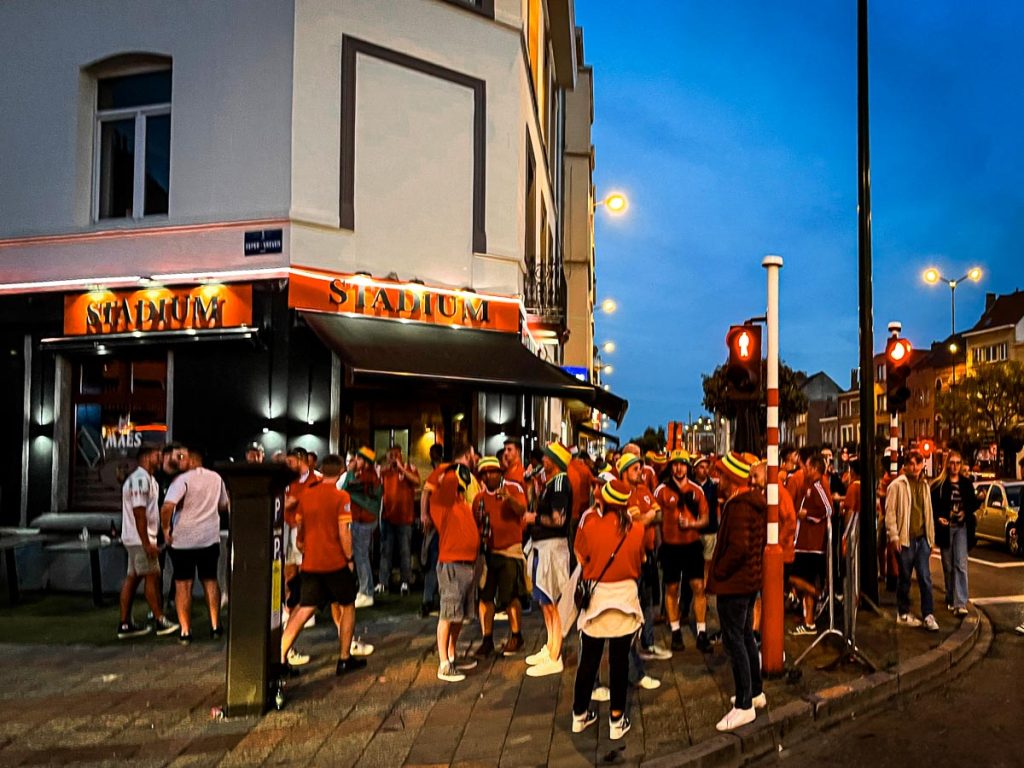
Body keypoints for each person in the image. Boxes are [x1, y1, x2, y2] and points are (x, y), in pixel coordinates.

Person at [570, 478, 646, 740]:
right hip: (625, 598)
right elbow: (641, 560)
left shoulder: (590, 525)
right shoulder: (636, 529)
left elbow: (581, 556)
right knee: (619, 661)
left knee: (589, 661)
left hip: (598, 598)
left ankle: (579, 715)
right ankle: (616, 719)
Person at [280, 454, 367, 675]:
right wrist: (349, 558)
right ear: (340, 472)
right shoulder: (341, 497)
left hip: (311, 563)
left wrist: (303, 546)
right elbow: (343, 532)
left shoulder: (306, 496)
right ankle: (344, 658)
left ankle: (278, 658)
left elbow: (300, 532)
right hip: (335, 561)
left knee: (304, 608)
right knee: (347, 605)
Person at [707, 452, 767, 732]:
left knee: (736, 641)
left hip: (734, 583)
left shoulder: (738, 507)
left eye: (720, 474)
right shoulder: (751, 504)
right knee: (745, 636)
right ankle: (755, 692)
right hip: (748, 581)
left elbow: (739, 548)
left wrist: (719, 570)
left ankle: (744, 704)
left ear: (730, 478)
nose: (716, 479)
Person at [160, 447, 230, 644]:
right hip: (209, 538)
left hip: (183, 541)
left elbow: (167, 507)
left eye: (181, 457)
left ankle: (185, 630)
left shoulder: (182, 480)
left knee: (183, 584)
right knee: (210, 580)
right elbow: (224, 505)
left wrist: (166, 529)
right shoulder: (216, 478)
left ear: (191, 460)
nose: (178, 461)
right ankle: (215, 625)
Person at [117, 443, 179, 639]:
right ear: (145, 457)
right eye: (157, 454)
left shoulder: (148, 480)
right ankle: (160, 620)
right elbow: (139, 513)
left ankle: (125, 624)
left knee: (133, 578)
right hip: (139, 539)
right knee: (152, 576)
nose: (161, 457)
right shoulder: (140, 480)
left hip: (136, 538)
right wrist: (146, 542)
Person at [524, 442, 574, 678]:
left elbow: (558, 521)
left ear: (555, 461)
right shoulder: (550, 483)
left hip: (552, 549)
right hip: (542, 547)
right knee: (544, 600)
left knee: (553, 600)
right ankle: (550, 646)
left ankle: (556, 654)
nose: (542, 460)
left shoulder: (561, 483)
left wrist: (534, 518)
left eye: (547, 457)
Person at [429, 462, 481, 683]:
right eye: (456, 487)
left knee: (459, 615)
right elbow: (433, 482)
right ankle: (443, 663)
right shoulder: (440, 505)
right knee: (448, 613)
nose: (458, 489)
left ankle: (451, 654)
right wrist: (449, 466)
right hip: (451, 564)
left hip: (467, 564)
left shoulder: (463, 505)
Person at [655, 449, 711, 653]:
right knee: (671, 589)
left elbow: (706, 518)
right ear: (671, 467)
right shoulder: (661, 490)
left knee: (698, 586)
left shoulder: (697, 490)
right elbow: (656, 517)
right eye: (675, 464)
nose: (679, 468)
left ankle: (702, 631)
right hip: (670, 546)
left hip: (692, 544)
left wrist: (692, 523)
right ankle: (676, 630)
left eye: (682, 464)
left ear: (688, 467)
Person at [473, 456, 528, 657]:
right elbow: (476, 523)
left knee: (510, 596)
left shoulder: (513, 488)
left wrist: (508, 498)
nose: (489, 476)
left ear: (500, 473)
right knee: (485, 597)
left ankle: (516, 635)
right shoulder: (479, 499)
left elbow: (522, 510)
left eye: (493, 472)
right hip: (489, 552)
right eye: (485, 473)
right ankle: (487, 638)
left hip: (509, 551)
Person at [885, 450, 939, 631]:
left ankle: (928, 614)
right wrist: (894, 536)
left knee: (925, 577)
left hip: (922, 537)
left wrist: (931, 538)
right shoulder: (897, 485)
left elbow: (928, 512)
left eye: (918, 463)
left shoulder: (925, 485)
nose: (915, 467)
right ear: (906, 466)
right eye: (911, 464)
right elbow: (890, 512)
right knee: (905, 577)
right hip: (906, 539)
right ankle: (903, 612)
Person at [789, 454, 832, 635]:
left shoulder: (818, 486)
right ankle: (810, 623)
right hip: (803, 542)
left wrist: (808, 515)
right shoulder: (809, 486)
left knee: (789, 577)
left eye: (807, 467)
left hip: (811, 545)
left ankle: (818, 593)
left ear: (814, 469)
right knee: (802, 580)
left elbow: (828, 508)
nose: (804, 470)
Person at [931, 451, 977, 617]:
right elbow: (932, 506)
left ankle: (960, 602)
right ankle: (950, 596)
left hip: (961, 528)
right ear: (947, 464)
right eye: (952, 463)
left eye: (958, 463)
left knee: (960, 564)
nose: (955, 466)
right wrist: (939, 518)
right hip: (945, 529)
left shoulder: (966, 484)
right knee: (948, 565)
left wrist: (965, 512)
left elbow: (972, 503)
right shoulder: (939, 486)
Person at [343, 447, 383, 608]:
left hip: (363, 520)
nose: (355, 462)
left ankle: (366, 592)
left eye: (358, 459)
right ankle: (364, 589)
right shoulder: (367, 475)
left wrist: (350, 471)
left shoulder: (367, 476)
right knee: (361, 555)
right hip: (363, 519)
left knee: (361, 556)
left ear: (365, 462)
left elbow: (347, 488)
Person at [378, 445, 420, 597]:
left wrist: (402, 469)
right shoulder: (385, 472)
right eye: (391, 455)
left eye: (396, 455)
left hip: (405, 518)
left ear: (401, 455)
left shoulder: (410, 468)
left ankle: (405, 581)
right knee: (385, 551)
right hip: (387, 517)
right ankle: (383, 582)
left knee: (405, 551)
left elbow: (417, 481)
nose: (393, 458)